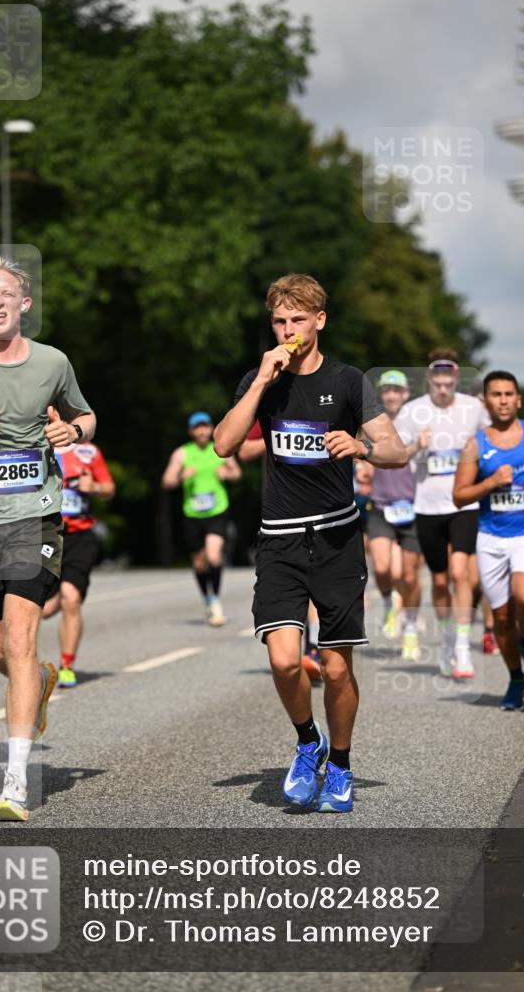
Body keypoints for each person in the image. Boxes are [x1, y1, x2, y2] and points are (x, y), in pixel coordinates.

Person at [214, 274, 407, 813]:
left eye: (298, 319)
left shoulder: (348, 381)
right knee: (284, 661)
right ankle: (308, 741)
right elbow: (224, 445)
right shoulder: (262, 380)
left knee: (337, 667)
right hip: (279, 540)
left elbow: (397, 451)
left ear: (319, 320)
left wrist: (362, 447)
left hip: (337, 537)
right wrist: (260, 382)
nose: (288, 330)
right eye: (279, 321)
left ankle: (340, 765)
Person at [0, 257, 96, 822]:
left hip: (37, 515)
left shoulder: (53, 362)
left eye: (8, 293)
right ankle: (43, 680)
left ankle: (16, 782)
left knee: (22, 638)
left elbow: (87, 416)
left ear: (24, 304)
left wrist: (71, 430)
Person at [453, 371, 524, 709]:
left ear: (518, 399)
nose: (503, 400)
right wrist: (491, 482)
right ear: (485, 401)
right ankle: (515, 678)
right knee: (500, 618)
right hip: (492, 538)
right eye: (495, 394)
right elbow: (459, 496)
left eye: (508, 394)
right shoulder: (475, 444)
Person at [396, 350, 488, 680]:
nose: (444, 387)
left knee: (460, 573)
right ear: (429, 379)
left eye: (449, 382)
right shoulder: (412, 411)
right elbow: (397, 454)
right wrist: (417, 446)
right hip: (427, 506)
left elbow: (494, 441)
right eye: (438, 382)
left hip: (463, 504)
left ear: (456, 378)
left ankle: (462, 648)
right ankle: (448, 640)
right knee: (439, 580)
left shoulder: (473, 408)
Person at [239, 419, 323, 681]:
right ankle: (303, 650)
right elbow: (244, 451)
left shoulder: (328, 398)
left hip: (324, 506)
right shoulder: (271, 407)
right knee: (295, 587)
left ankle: (314, 648)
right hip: (283, 514)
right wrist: (278, 437)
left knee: (316, 584)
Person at [42, 440, 114, 687]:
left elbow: (109, 488)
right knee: (43, 611)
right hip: (44, 534)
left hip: (80, 536)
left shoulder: (88, 451)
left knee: (71, 598)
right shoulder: (35, 445)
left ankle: (66, 665)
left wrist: (94, 487)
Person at [162, 412, 241, 627]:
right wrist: (181, 476)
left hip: (217, 511)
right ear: (191, 431)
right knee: (199, 563)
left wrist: (227, 474)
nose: (202, 431)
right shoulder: (182, 453)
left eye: (205, 426)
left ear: (211, 428)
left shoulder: (220, 448)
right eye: (197, 427)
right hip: (192, 514)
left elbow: (237, 473)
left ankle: (215, 599)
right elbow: (167, 481)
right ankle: (207, 597)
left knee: (214, 557)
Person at [367, 371, 422, 660]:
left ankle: (410, 629)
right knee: (382, 567)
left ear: (406, 394)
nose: (391, 395)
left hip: (412, 507)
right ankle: (389, 602)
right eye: (386, 390)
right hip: (381, 505)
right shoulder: (371, 423)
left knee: (406, 576)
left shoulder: (416, 423)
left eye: (396, 390)